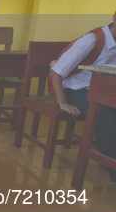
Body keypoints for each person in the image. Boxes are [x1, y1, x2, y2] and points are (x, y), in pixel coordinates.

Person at [50, 14, 116, 182]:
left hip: (103, 92)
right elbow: (56, 72)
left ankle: (108, 156)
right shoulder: (92, 40)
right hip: (76, 90)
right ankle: (113, 167)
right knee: (105, 116)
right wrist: (62, 102)